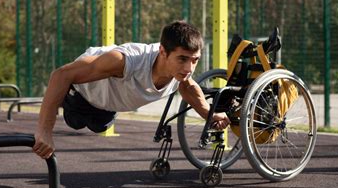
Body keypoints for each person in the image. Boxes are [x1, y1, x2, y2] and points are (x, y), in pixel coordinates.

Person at [33, 20, 230, 159]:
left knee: (101, 125)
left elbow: (188, 88)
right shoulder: (125, 62)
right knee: (75, 122)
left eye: (195, 60)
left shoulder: (180, 73)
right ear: (163, 51)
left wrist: (209, 115)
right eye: (182, 59)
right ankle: (64, 105)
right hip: (81, 95)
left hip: (107, 107)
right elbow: (60, 75)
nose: (189, 68)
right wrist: (45, 131)